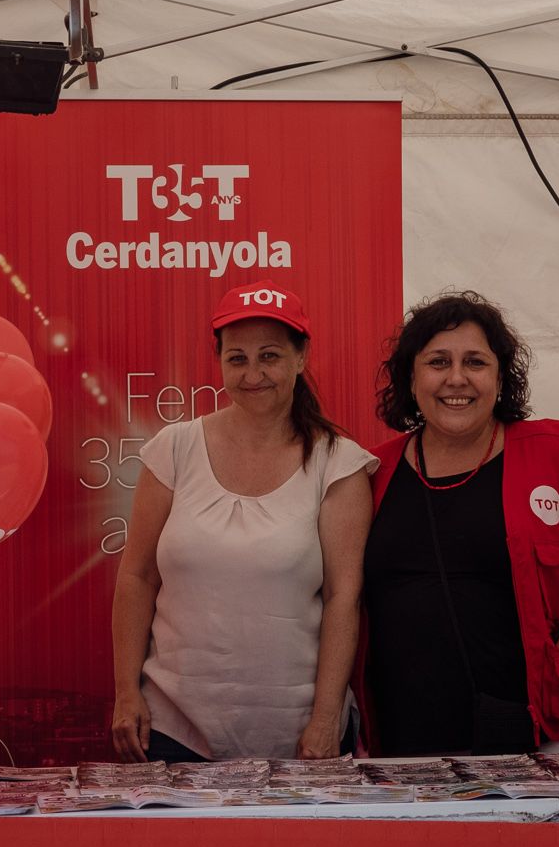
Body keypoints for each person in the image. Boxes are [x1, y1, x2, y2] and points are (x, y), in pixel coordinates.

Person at [110, 281, 376, 761]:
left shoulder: (339, 464)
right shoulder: (173, 450)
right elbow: (136, 576)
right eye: (237, 358)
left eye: (270, 356)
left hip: (298, 738)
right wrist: (126, 692)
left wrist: (324, 718)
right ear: (220, 362)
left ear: (301, 357)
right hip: (173, 729)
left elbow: (344, 599)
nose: (254, 374)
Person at [359, 291, 559, 756]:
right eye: (438, 362)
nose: (457, 379)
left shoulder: (554, 457)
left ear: (501, 376)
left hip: (541, 727)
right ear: (411, 376)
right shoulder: (370, 472)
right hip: (403, 733)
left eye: (476, 362)